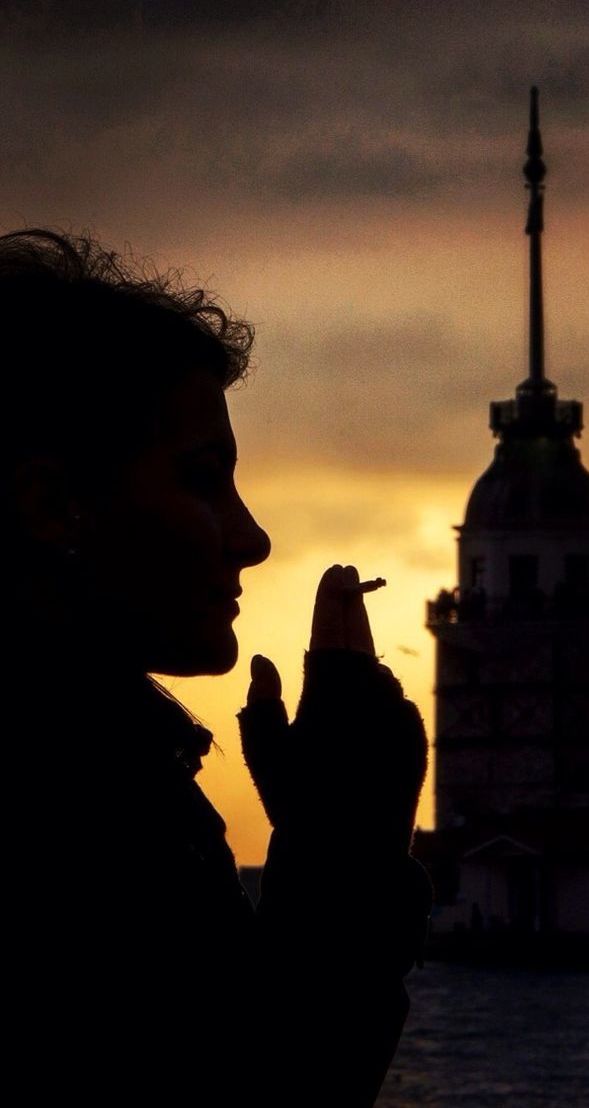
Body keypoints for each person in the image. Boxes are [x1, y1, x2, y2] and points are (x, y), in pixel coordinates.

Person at [3, 229, 430, 1106]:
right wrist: (344, 847)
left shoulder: (104, 766)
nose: (253, 538)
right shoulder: (71, 805)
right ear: (51, 506)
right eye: (204, 481)